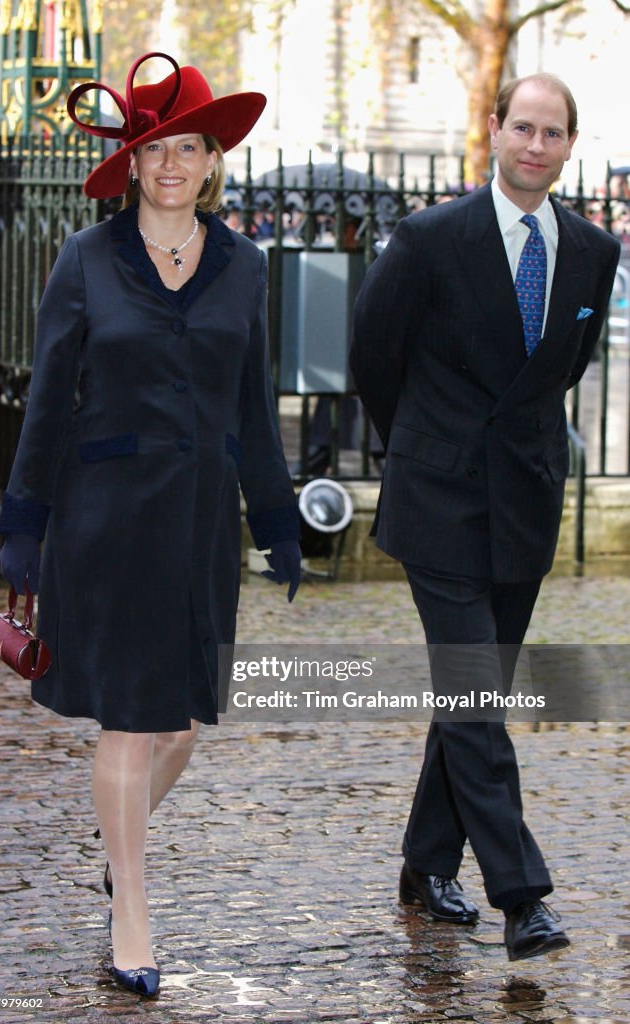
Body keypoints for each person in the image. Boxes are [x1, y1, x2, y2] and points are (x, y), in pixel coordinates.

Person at [0, 51, 301, 997]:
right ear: (130, 162)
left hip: (203, 522)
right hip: (104, 522)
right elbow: (46, 402)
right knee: (130, 725)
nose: (172, 163)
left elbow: (253, 403)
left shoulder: (247, 266)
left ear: (214, 161)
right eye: (155, 147)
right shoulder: (86, 260)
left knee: (180, 728)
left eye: (190, 147)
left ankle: (116, 845)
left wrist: (278, 517)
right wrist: (23, 528)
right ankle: (132, 907)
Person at [350, 73, 620, 961]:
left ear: (570, 146)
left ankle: (426, 862)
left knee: (475, 695)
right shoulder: (431, 238)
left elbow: (565, 368)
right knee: (475, 698)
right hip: (441, 502)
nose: (536, 146)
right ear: (493, 131)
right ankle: (522, 896)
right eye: (523, 128)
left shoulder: (593, 249)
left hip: (526, 501)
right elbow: (373, 354)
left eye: (554, 133)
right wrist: (426, 445)